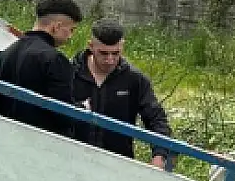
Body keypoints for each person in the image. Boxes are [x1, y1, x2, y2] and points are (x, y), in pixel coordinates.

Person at [71, 19, 173, 168]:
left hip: (117, 164)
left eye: (115, 53)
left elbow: (156, 119)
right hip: (71, 158)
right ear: (91, 46)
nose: (110, 60)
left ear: (122, 46)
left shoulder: (134, 80)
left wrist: (160, 155)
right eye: (103, 53)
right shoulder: (70, 73)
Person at [0, 0, 82, 135]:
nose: (70, 36)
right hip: (39, 140)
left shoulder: (7, 53)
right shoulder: (55, 59)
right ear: (56, 26)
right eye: (71, 30)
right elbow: (64, 113)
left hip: (3, 134)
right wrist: (81, 108)